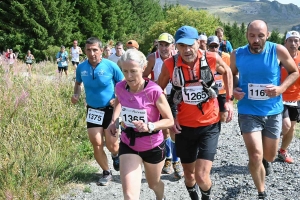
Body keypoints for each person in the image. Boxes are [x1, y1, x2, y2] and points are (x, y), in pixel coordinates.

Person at [157, 25, 234, 200]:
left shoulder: (212, 58)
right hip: (183, 127)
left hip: (209, 124)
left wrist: (229, 100)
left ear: (198, 43)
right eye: (181, 46)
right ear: (176, 46)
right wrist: (169, 116)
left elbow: (228, 71)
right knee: (189, 175)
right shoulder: (170, 64)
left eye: (190, 45)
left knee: (201, 176)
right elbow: (158, 91)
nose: (186, 50)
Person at [230, 20, 299, 199]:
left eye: (260, 36)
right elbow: (232, 74)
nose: (256, 40)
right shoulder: (237, 54)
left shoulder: (277, 50)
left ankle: (265, 162)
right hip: (248, 111)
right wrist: (233, 89)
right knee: (255, 155)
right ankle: (261, 192)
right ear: (247, 35)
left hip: (273, 111)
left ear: (267, 35)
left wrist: (281, 89)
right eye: (252, 35)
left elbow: (294, 72)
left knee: (268, 155)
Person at [107, 48, 173, 200]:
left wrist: (150, 126)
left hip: (152, 146)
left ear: (143, 68)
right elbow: (119, 101)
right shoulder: (120, 87)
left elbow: (170, 120)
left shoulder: (154, 91)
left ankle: (160, 197)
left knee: (153, 184)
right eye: (125, 71)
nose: (129, 76)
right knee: (130, 196)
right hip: (128, 143)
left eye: (133, 71)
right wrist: (114, 120)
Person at [71, 37, 124, 186]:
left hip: (110, 110)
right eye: (88, 50)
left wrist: (117, 97)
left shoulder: (111, 66)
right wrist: (76, 94)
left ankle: (115, 155)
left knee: (112, 145)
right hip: (93, 110)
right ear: (85, 51)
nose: (92, 53)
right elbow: (78, 84)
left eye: (95, 50)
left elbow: (124, 84)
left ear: (101, 50)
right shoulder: (81, 68)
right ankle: (106, 172)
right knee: (97, 143)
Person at [143, 32, 183, 179]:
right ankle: (169, 159)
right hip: (159, 98)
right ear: (157, 45)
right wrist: (151, 88)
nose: (164, 48)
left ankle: (176, 160)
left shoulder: (178, 57)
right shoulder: (153, 58)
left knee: (174, 129)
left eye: (167, 45)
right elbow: (144, 76)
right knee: (164, 130)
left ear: (173, 46)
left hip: (175, 97)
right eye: (161, 44)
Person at [278, 30, 300, 164]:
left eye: (296, 40)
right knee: (285, 126)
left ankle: (282, 151)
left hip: (296, 98)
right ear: (285, 42)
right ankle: (269, 142)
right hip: (280, 97)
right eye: (290, 40)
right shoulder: (279, 58)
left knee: (291, 128)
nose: (293, 43)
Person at [207, 36, 231, 122]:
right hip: (210, 90)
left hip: (222, 90)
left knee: (223, 116)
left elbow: (230, 73)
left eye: (216, 46)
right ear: (207, 47)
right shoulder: (204, 58)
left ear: (219, 46)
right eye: (211, 46)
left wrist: (230, 91)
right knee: (211, 114)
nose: (214, 49)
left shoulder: (226, 57)